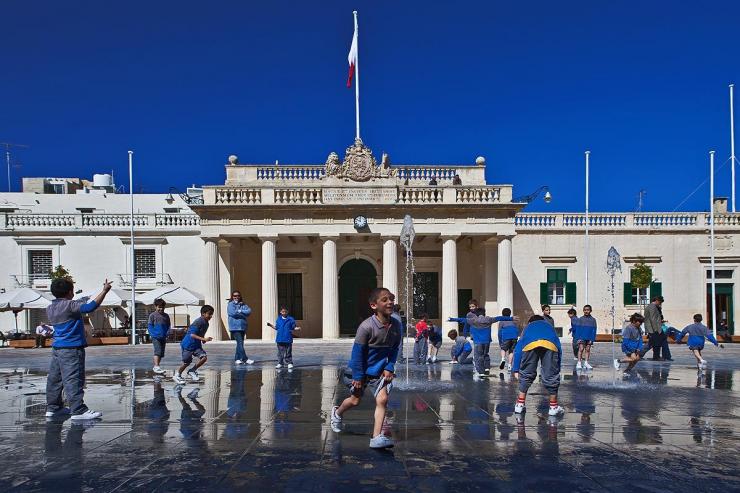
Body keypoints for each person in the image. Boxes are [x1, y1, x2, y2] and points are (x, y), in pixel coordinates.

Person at [330, 287, 401, 449]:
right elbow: (357, 353)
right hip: (360, 370)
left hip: (380, 371)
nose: (390, 302)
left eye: (391, 299)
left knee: (383, 399)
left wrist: (390, 366)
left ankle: (377, 437)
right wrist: (357, 376)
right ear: (373, 305)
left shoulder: (396, 324)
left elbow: (396, 347)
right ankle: (337, 412)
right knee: (355, 401)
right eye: (384, 299)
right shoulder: (366, 327)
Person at [45, 277, 112, 421]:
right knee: (73, 379)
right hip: (72, 348)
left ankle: (53, 408)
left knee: (55, 379)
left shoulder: (50, 308)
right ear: (70, 292)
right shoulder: (70, 305)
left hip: (57, 347)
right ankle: (78, 410)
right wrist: (104, 291)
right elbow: (90, 307)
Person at [512, 315, 565, 418]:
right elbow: (559, 348)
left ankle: (519, 404)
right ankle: (553, 407)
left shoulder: (527, 328)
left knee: (526, 374)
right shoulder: (549, 326)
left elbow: (518, 350)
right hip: (550, 345)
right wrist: (557, 367)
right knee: (551, 377)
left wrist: (516, 369)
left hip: (530, 345)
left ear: (529, 322)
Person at [466, 299, 514, 378]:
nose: (471, 308)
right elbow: (468, 325)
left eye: (473, 306)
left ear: (477, 306)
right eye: (470, 307)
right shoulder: (470, 315)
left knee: (480, 354)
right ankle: (484, 368)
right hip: (477, 335)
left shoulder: (479, 315)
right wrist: (469, 333)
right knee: (480, 353)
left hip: (480, 337)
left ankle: (482, 370)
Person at [173, 305, 214, 384]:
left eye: (212, 314)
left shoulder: (206, 323)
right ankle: (177, 375)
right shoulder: (198, 322)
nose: (211, 316)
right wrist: (203, 339)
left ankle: (192, 370)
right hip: (188, 345)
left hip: (196, 345)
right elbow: (192, 334)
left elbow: (200, 333)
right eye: (209, 314)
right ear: (203, 313)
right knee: (186, 363)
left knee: (204, 357)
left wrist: (203, 339)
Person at [227, 290, 254, 365]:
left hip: (243, 326)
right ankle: (245, 359)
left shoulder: (243, 304)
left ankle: (237, 359)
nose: (236, 297)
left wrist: (239, 310)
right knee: (240, 342)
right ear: (232, 297)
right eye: (235, 296)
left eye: (238, 295)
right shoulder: (230, 304)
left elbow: (249, 311)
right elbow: (233, 313)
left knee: (240, 344)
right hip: (235, 327)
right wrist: (243, 314)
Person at [147, 298, 170, 374]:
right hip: (155, 337)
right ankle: (156, 366)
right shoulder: (152, 315)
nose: (161, 309)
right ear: (155, 307)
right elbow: (150, 326)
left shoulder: (166, 316)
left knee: (161, 353)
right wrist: (153, 334)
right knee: (158, 351)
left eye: (162, 307)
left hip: (163, 336)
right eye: (159, 307)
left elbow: (168, 325)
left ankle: (157, 366)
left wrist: (167, 333)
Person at [642, 296, 664, 360]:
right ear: (657, 300)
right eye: (660, 302)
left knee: (653, 343)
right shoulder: (652, 307)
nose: (660, 304)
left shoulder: (654, 307)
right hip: (653, 329)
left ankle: (655, 356)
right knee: (655, 343)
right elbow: (653, 319)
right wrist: (656, 330)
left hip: (653, 328)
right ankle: (656, 357)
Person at [575, 305, 597, 370]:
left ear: (590, 311)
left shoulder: (593, 320)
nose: (586, 311)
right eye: (585, 310)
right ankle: (579, 362)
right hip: (582, 337)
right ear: (583, 310)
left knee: (587, 350)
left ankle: (586, 363)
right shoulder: (580, 319)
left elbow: (594, 330)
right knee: (581, 349)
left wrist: (592, 339)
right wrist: (578, 338)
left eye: (588, 310)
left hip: (589, 337)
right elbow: (578, 329)